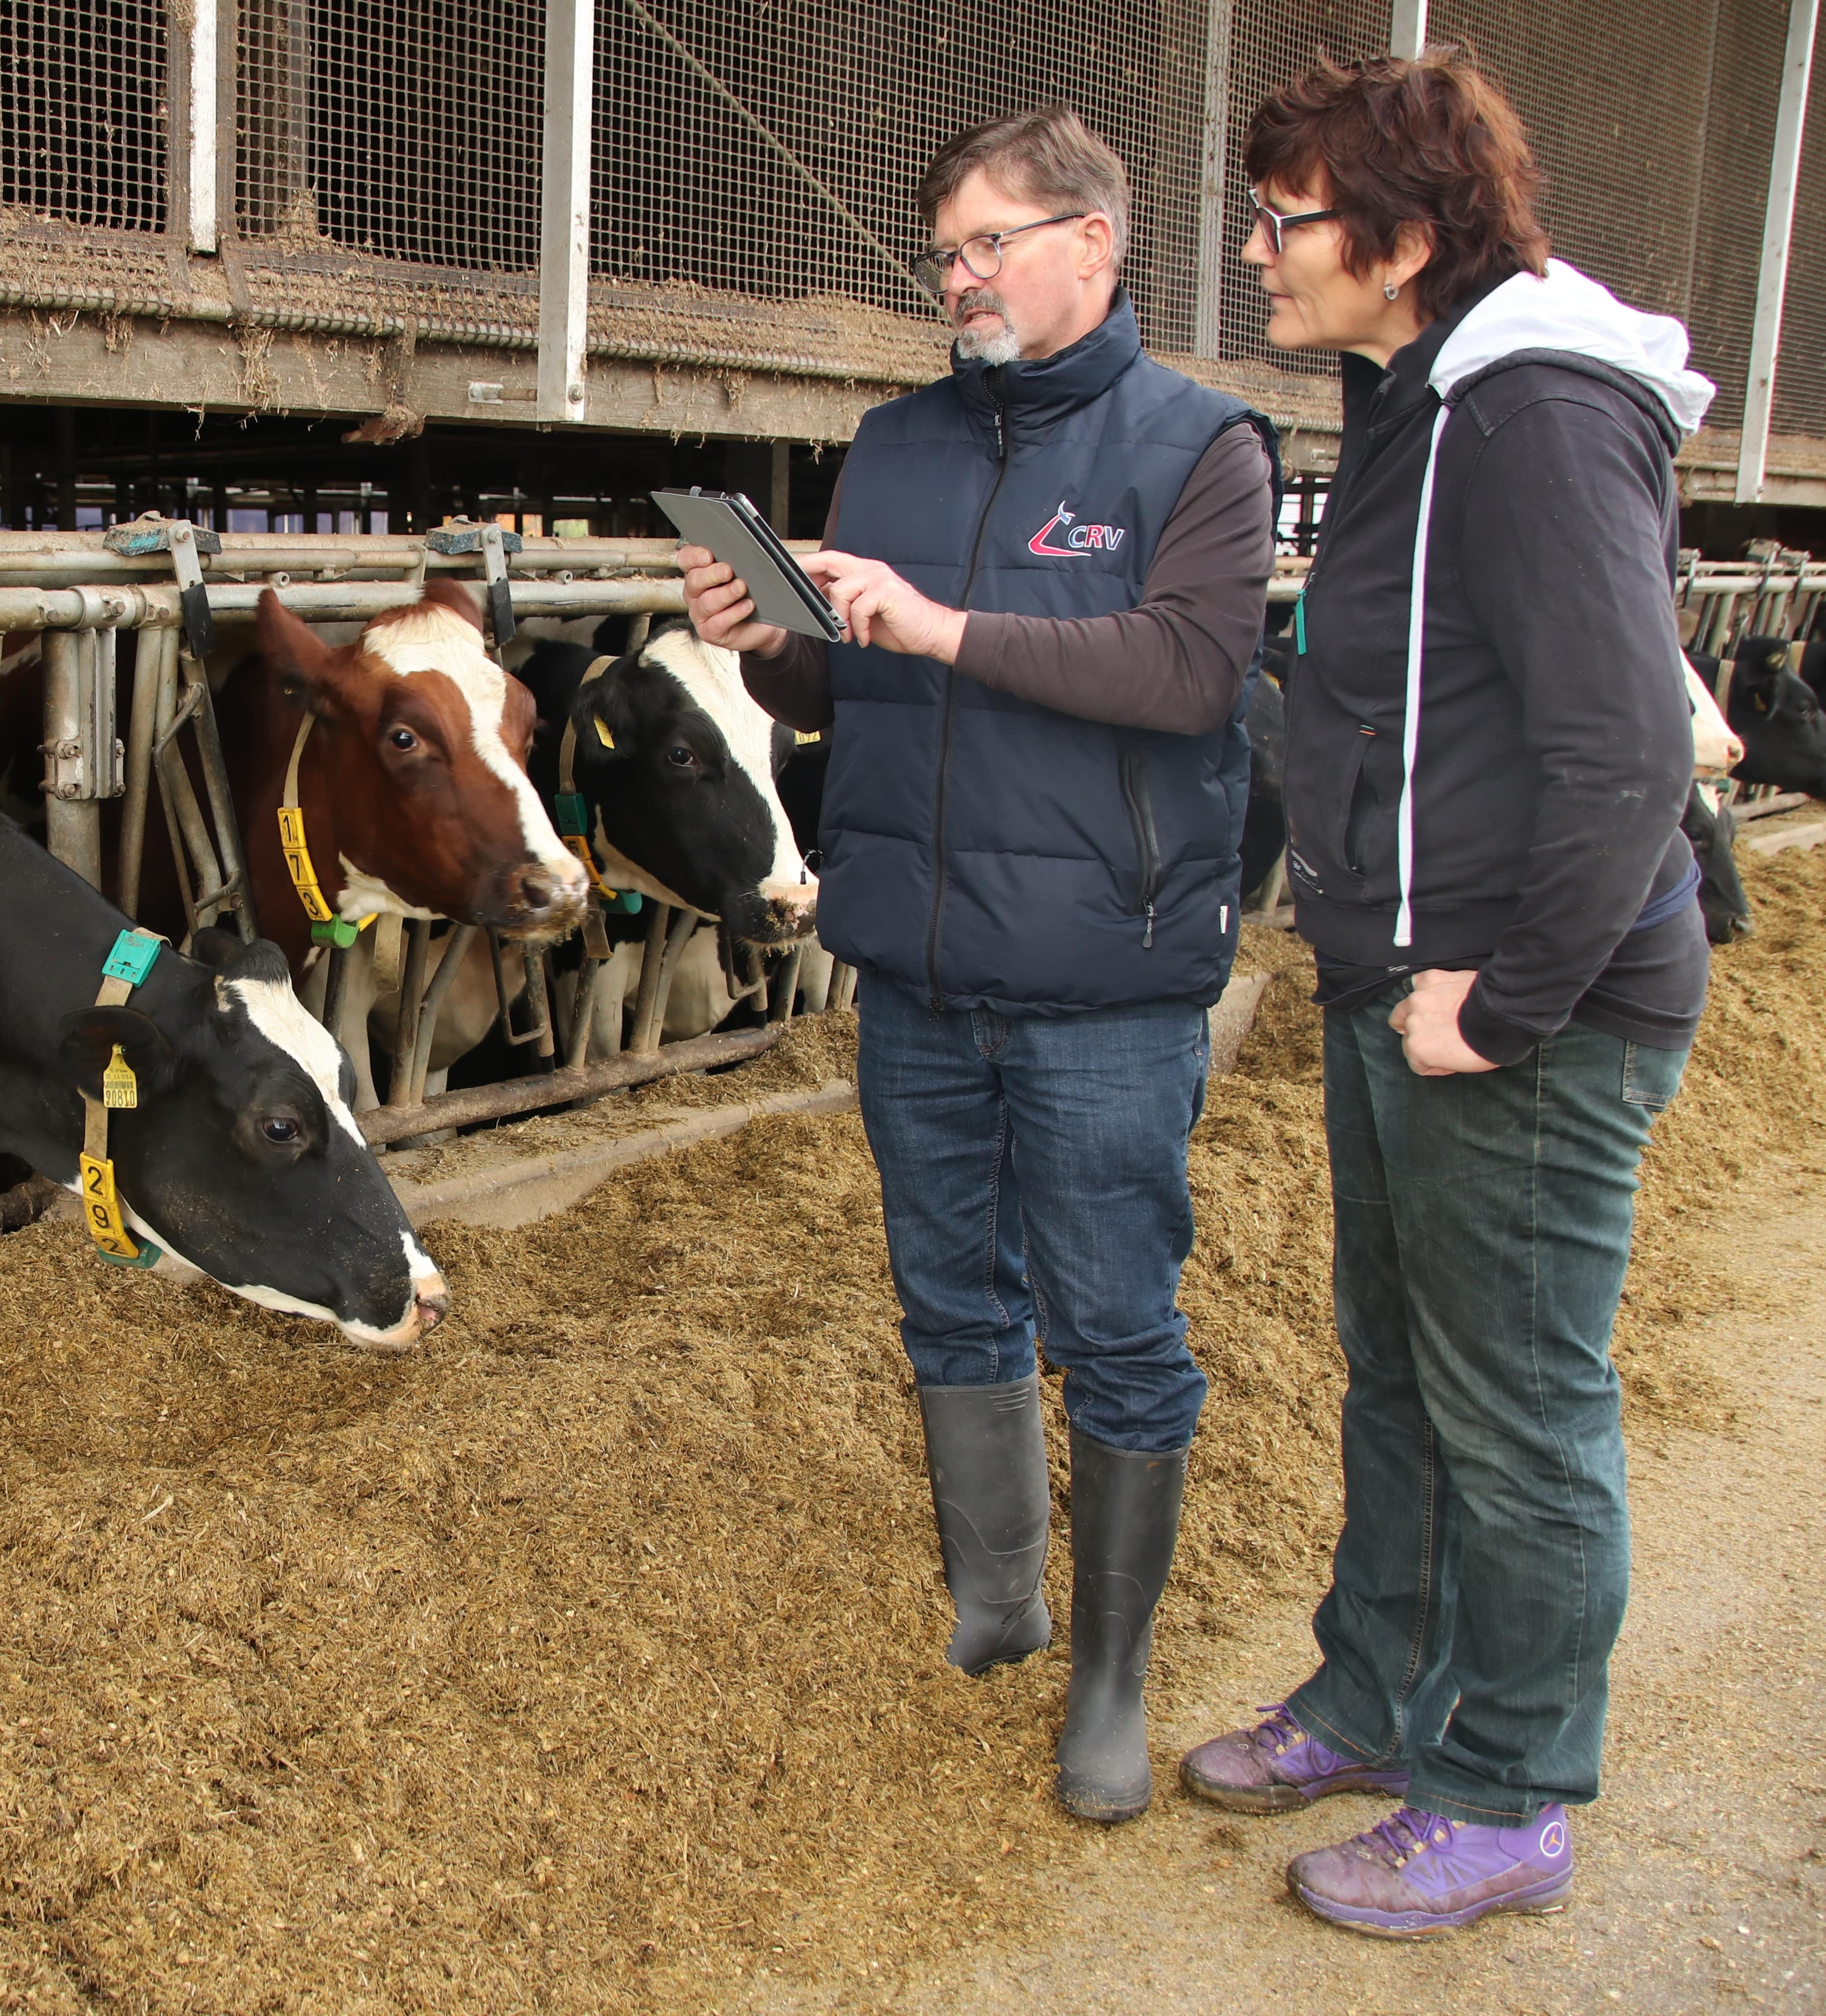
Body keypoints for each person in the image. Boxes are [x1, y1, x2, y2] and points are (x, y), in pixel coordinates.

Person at [678, 106, 1276, 1823]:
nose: (959, 277)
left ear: (1096, 240)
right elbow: (858, 688)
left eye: (990, 242)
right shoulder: (899, 441)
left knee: (1115, 1323)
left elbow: (1189, 676)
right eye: (946, 250)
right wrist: (774, 650)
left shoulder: (1199, 446)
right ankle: (1001, 1609)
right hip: (920, 969)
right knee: (953, 1297)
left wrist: (937, 623)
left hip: (1107, 981)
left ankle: (1112, 1679)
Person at [1172, 50, 1714, 1938]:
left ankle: (1510, 1788)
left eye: (1286, 217)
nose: (1256, 251)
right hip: (1403, 973)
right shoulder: (1416, 392)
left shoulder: (1531, 413)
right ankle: (1378, 1695)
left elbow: (1634, 749)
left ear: (1402, 242)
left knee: (1521, 1406)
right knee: (1406, 1373)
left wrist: (1500, 1003)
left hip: (1519, 1013)